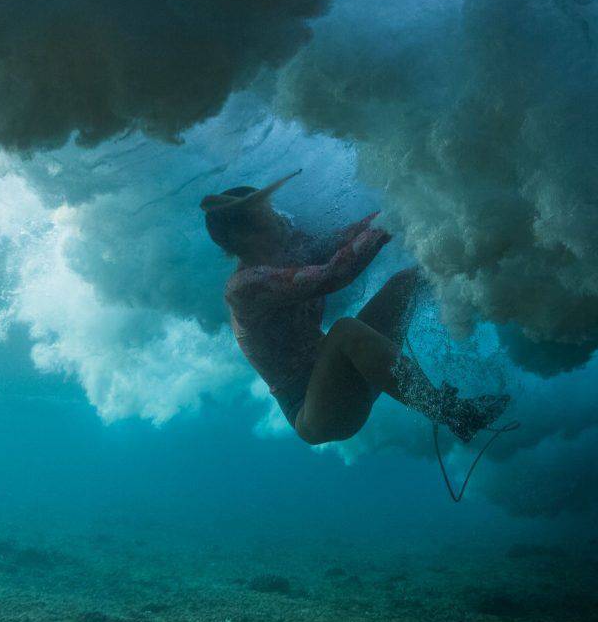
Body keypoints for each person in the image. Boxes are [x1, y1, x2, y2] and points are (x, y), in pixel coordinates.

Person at [201, 170, 510, 445]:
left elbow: (340, 239)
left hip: (350, 376)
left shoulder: (287, 251)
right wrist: (389, 224)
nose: (281, 217)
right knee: (345, 331)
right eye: (267, 214)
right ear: (244, 235)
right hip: (316, 412)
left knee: (408, 281)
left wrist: (409, 210)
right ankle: (453, 414)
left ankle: (496, 266)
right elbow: (333, 274)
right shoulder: (244, 286)